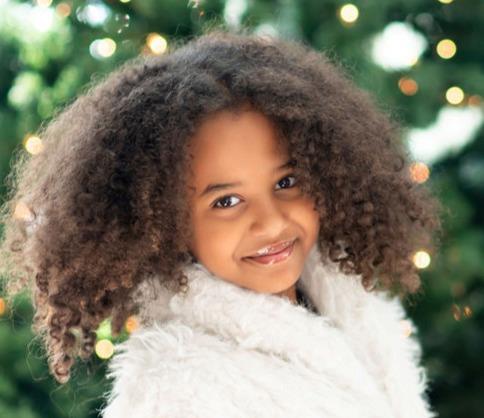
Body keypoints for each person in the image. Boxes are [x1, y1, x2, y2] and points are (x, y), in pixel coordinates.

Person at [0, 28, 443, 417]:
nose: (271, 221)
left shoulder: (356, 307)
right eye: (227, 201)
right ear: (167, 224)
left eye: (286, 181)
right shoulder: (179, 391)